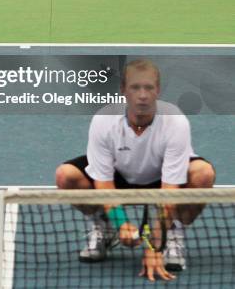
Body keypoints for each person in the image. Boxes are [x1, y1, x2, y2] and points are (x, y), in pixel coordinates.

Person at [55, 59, 215, 282]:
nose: (142, 95)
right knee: (66, 175)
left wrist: (155, 245)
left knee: (203, 174)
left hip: (161, 177)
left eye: (149, 87)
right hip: (119, 174)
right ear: (123, 90)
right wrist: (121, 222)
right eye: (135, 87)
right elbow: (103, 183)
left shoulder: (175, 121)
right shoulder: (104, 120)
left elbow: (170, 191)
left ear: (158, 90)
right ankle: (104, 225)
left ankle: (174, 232)